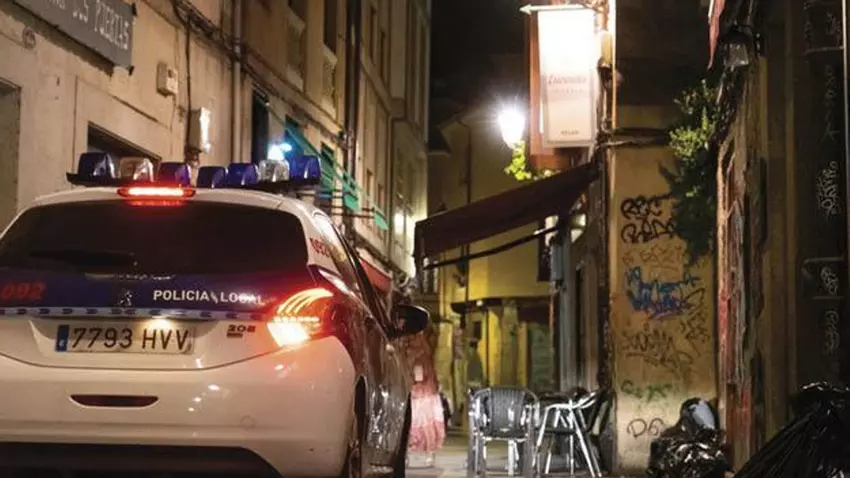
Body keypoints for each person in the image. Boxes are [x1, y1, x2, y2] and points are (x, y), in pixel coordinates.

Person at [401, 325, 445, 467]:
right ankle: (424, 453)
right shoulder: (424, 343)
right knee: (420, 421)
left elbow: (419, 367)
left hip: (421, 388)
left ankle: (423, 453)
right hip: (421, 387)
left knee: (420, 420)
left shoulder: (418, 344)